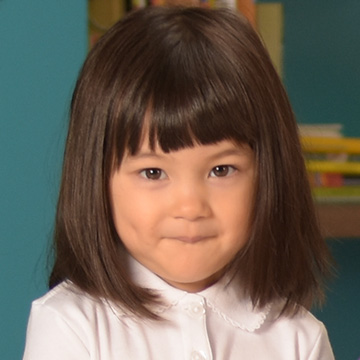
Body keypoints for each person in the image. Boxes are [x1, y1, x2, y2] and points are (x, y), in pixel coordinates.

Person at [23, 6, 335, 359]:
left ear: (269, 175)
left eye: (221, 170)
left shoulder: (297, 338)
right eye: (153, 173)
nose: (190, 206)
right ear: (97, 179)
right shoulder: (71, 325)